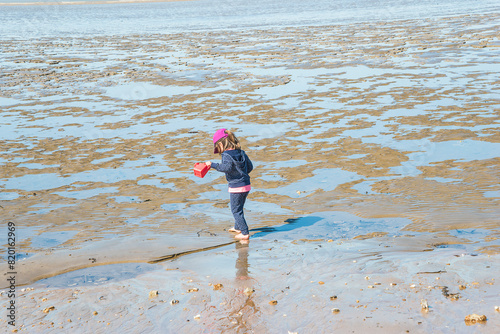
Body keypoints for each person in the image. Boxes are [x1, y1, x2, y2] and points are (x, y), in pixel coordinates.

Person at [206, 128, 253, 240]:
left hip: (236, 187)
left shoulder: (226, 155)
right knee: (239, 207)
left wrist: (212, 165)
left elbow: (226, 167)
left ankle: (245, 233)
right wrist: (242, 174)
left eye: (217, 147)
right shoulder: (241, 152)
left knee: (235, 210)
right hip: (246, 185)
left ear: (221, 144)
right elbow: (250, 167)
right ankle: (238, 227)